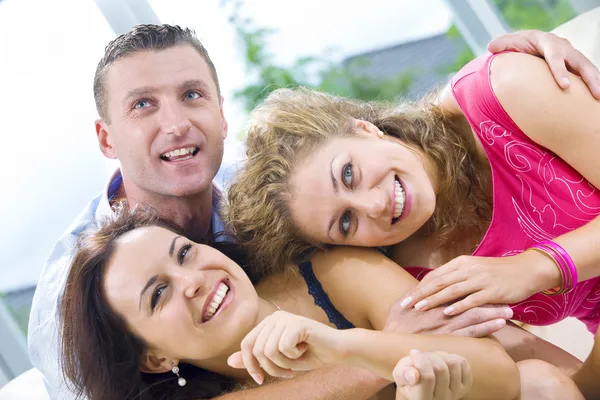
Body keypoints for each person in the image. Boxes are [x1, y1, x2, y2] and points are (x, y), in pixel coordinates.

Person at [27, 22, 600, 400]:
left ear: (224, 116)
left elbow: (363, 154)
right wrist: (375, 353)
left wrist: (493, 78)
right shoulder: (72, 302)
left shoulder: (273, 206)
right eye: (143, 106)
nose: (176, 123)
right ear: (106, 137)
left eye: (193, 95)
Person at [223, 37, 600, 399]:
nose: (373, 205)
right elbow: (548, 379)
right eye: (345, 222)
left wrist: (534, 267)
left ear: (365, 129)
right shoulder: (421, 275)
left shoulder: (503, 92)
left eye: (349, 173)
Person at [59, 206, 585, 400]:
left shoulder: (332, 274)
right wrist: (397, 361)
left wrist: (349, 345)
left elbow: (499, 368)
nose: (193, 280)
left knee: (541, 384)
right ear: (154, 357)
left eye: (185, 254)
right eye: (159, 293)